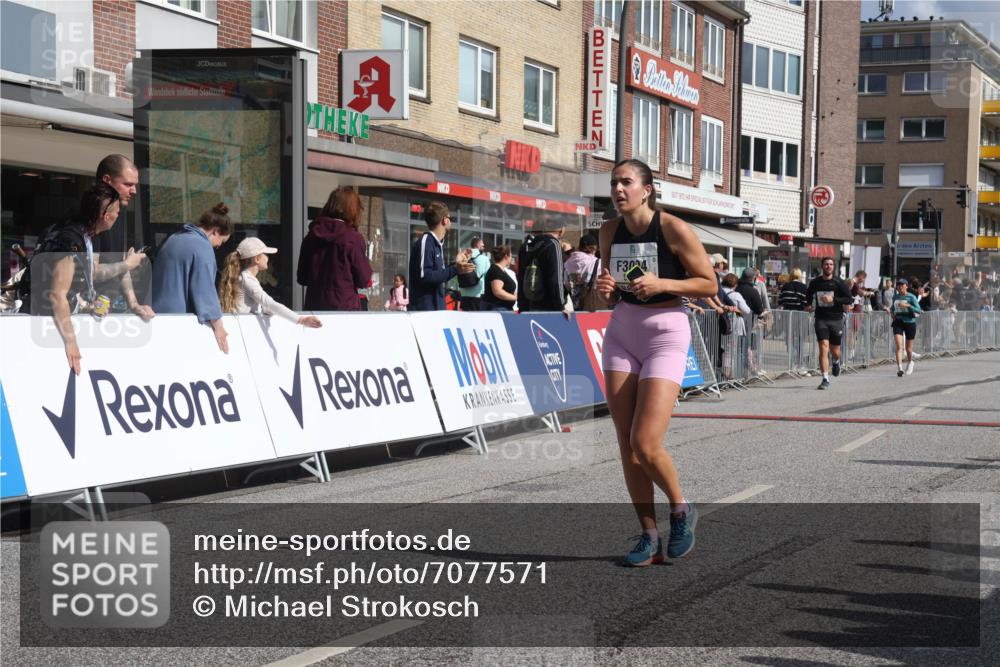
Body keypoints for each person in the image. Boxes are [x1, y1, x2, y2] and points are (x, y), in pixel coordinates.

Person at [594, 159, 717, 566]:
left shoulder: (672, 228)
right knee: (626, 445)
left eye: (626, 182)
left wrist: (663, 282)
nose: (618, 189)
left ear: (647, 189)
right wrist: (608, 289)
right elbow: (610, 295)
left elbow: (708, 283)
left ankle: (681, 509)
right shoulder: (608, 230)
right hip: (622, 330)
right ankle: (648, 535)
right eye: (614, 182)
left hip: (666, 330)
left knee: (645, 443)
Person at [29, 184, 150, 374]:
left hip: (49, 321)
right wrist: (71, 342)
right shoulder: (71, 238)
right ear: (106, 216)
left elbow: (65, 287)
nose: (118, 215)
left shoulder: (80, 233)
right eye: (117, 211)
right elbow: (56, 295)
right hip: (43, 326)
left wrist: (86, 305)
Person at [151, 202, 233, 354]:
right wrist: (219, 326)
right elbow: (204, 289)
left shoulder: (173, 238)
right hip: (179, 324)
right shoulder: (202, 247)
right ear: (215, 231)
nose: (219, 246)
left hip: (155, 317)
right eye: (222, 241)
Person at [297, 187, 372, 311]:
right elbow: (363, 279)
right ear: (353, 210)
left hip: (315, 308)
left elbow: (302, 277)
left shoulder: (311, 236)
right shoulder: (353, 238)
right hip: (344, 309)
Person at [218, 237, 321, 328]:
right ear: (257, 259)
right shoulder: (247, 279)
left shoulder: (245, 277)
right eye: (265, 254)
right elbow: (270, 303)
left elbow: (265, 306)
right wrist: (301, 320)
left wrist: (266, 310)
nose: (268, 258)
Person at [408, 201, 473, 311]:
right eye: (450, 218)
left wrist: (456, 264)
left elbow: (438, 275)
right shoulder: (426, 241)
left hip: (436, 309)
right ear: (444, 220)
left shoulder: (436, 243)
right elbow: (425, 276)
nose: (451, 221)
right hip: (425, 311)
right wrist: (455, 269)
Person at [805, 256, 852, 389]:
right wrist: (808, 305)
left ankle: (836, 361)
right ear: (822, 266)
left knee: (835, 350)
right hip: (821, 319)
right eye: (826, 264)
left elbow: (849, 299)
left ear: (833, 267)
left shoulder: (839, 282)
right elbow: (808, 296)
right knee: (823, 347)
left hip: (836, 319)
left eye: (831, 264)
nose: (829, 266)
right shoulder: (815, 282)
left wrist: (834, 299)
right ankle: (825, 378)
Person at [517, 216, 569, 312]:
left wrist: (522, 305)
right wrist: (560, 306)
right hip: (549, 307)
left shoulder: (526, 246)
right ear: (561, 229)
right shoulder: (554, 244)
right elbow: (556, 278)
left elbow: (520, 276)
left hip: (529, 305)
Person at [890, 277, 922, 376]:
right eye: (898, 285)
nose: (899, 287)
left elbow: (918, 310)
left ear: (906, 286)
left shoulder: (911, 297)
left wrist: (908, 306)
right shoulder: (895, 297)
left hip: (910, 322)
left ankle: (910, 362)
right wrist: (892, 312)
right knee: (899, 346)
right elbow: (893, 307)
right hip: (898, 321)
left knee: (908, 348)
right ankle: (900, 368)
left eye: (902, 285)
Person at [457, 236, 490, 312]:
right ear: (477, 245)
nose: (483, 246)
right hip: (478, 295)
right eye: (482, 245)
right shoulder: (484, 259)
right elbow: (488, 276)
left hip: (464, 295)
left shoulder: (463, 256)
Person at [481, 245, 518, 311]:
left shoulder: (501, 270)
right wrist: (515, 297)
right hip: (498, 309)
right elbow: (497, 291)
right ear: (506, 256)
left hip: (503, 308)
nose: (511, 258)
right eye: (511, 256)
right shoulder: (496, 270)